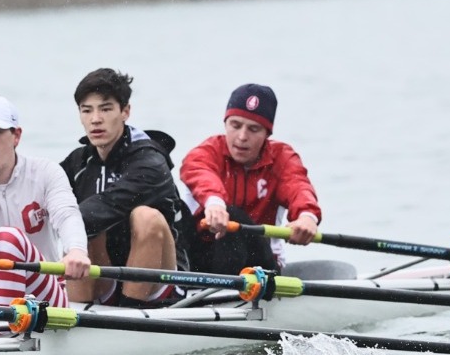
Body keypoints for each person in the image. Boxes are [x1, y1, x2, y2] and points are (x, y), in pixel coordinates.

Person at [0, 96, 91, 309]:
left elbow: (66, 213)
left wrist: (76, 250)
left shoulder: (46, 173)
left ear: (16, 136)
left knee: (8, 238)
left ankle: (3, 334)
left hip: (45, 296)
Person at [60, 68, 188, 307]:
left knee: (143, 216)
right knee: (77, 221)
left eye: (106, 109)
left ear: (125, 111)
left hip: (159, 279)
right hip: (106, 274)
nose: (95, 119)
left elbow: (107, 206)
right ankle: (78, 310)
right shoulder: (77, 162)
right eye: (87, 111)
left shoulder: (150, 162)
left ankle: (131, 308)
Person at [179, 83, 323, 274]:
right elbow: (199, 173)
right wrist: (215, 204)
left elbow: (297, 185)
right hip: (202, 257)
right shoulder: (206, 152)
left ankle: (227, 293)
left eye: (254, 129)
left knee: (233, 218)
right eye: (235, 125)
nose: (242, 137)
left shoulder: (282, 158)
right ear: (225, 124)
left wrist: (307, 217)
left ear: (267, 134)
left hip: (260, 262)